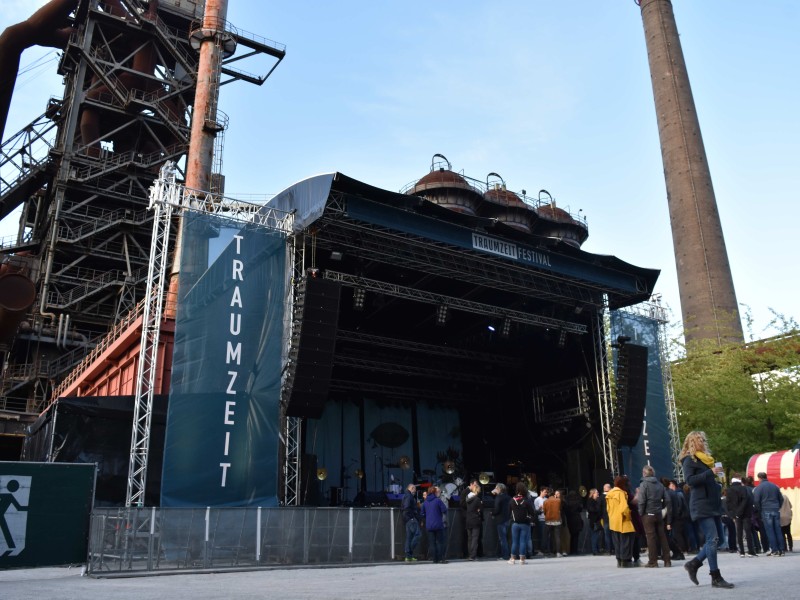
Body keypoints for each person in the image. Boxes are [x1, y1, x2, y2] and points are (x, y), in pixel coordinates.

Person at [680, 431, 734, 588]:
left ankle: (694, 563)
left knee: (720, 540)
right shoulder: (689, 460)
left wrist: (716, 479)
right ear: (693, 442)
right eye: (700, 440)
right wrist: (709, 473)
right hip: (701, 504)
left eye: (704, 439)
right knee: (713, 539)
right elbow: (690, 481)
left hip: (713, 503)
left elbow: (706, 478)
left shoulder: (706, 460)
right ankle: (715, 577)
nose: (704, 442)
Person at [636, 465, 671, 568]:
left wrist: (641, 512)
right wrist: (661, 507)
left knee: (651, 537)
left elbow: (641, 500)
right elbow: (667, 499)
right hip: (658, 513)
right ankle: (667, 561)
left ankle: (653, 562)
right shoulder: (660, 485)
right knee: (662, 536)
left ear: (644, 473)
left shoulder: (644, 484)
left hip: (648, 514)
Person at [606, 475, 637, 567]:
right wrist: (628, 517)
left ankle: (619, 560)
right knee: (626, 542)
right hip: (623, 521)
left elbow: (608, 509)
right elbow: (624, 508)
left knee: (617, 542)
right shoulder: (621, 493)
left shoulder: (610, 493)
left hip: (613, 521)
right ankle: (626, 561)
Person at [753, 471, 785, 556]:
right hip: (775, 509)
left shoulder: (759, 488)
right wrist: (778, 506)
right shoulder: (775, 486)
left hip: (765, 510)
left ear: (759, 478)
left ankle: (774, 550)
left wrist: (759, 511)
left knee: (770, 531)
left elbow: (756, 501)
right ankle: (782, 549)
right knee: (778, 530)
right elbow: (781, 499)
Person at [725, 472, 756, 557]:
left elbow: (728, 504)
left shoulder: (729, 490)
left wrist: (733, 515)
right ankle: (750, 550)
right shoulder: (744, 489)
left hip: (736, 515)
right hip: (745, 513)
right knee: (748, 532)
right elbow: (746, 500)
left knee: (739, 533)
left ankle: (741, 551)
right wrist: (741, 511)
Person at [508, 482, 536, 564]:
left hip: (515, 524)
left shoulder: (512, 500)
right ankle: (522, 560)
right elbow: (532, 512)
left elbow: (508, 512)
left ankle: (512, 559)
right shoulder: (526, 501)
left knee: (514, 541)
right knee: (523, 541)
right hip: (525, 524)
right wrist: (530, 518)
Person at [420, 485, 449, 563]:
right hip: (438, 524)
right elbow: (444, 510)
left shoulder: (425, 502)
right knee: (440, 542)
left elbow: (422, 513)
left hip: (429, 525)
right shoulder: (438, 500)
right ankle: (441, 558)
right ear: (435, 492)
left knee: (432, 543)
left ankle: (434, 559)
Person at [460, 479, 483, 560]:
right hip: (475, 519)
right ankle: (473, 555)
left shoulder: (468, 499)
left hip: (468, 519)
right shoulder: (477, 499)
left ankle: (470, 554)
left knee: (470, 538)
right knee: (474, 538)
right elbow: (480, 509)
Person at [401, 483, 421, 562]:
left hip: (407, 519)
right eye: (414, 489)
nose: (415, 491)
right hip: (410, 518)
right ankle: (409, 551)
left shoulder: (406, 495)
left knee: (409, 537)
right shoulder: (409, 496)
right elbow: (406, 507)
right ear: (411, 488)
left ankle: (408, 556)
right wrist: (411, 517)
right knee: (418, 534)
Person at [491, 483, 511, 561]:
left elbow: (496, 509)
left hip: (500, 519)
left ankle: (505, 555)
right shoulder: (508, 497)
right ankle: (502, 553)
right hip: (507, 519)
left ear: (499, 489)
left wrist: (492, 513)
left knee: (502, 538)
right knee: (505, 538)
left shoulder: (498, 497)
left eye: (496, 488)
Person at [543, 488, 565, 557]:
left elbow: (544, 511)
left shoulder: (546, 502)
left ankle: (546, 551)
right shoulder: (558, 501)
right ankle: (558, 552)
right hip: (557, 520)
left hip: (548, 521)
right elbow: (560, 509)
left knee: (546, 536)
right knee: (557, 537)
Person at [564, 490, 584, 556]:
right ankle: (575, 550)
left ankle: (571, 549)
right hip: (577, 519)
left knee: (571, 535)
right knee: (576, 536)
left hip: (570, 519)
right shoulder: (578, 502)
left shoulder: (567, 502)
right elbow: (580, 509)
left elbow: (566, 511)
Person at [586, 488, 604, 555]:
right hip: (594, 520)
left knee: (596, 535)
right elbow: (592, 510)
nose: (598, 493)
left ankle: (596, 549)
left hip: (596, 520)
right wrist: (598, 508)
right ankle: (595, 550)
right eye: (596, 492)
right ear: (593, 493)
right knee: (594, 535)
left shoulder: (595, 501)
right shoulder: (591, 501)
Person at [533, 486, 549, 555]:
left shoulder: (547, 499)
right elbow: (535, 511)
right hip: (541, 519)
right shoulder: (537, 500)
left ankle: (546, 549)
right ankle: (542, 549)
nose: (546, 493)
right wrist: (540, 509)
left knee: (547, 535)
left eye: (546, 492)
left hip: (547, 519)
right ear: (541, 491)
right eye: (545, 492)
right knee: (542, 534)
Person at [601, 482, 614, 555]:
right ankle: (615, 549)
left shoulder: (601, 497)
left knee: (607, 535)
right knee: (614, 534)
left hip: (605, 518)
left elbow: (599, 508)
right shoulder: (613, 495)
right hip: (613, 517)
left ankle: (608, 550)